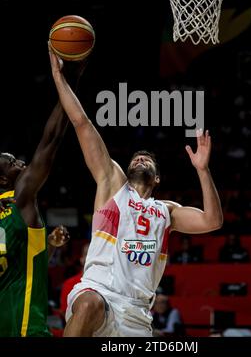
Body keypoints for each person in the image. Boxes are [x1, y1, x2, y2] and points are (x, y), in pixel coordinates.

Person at [49, 51, 223, 337]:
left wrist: (203, 170)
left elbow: (212, 221)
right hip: (99, 293)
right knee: (89, 304)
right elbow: (82, 123)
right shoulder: (112, 183)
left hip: (137, 313)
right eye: (135, 158)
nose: (139, 159)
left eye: (147, 159)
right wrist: (59, 77)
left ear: (156, 178)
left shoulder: (167, 211)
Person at [0, 60, 84, 337]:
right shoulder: (19, 198)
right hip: (25, 327)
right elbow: (50, 139)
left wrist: (45, 247)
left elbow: (17, 267)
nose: (21, 162)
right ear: (3, 181)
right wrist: (69, 76)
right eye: (12, 163)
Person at [60, 242, 89, 316]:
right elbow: (65, 313)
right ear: (81, 259)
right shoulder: (69, 283)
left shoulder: (108, 283)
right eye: (88, 254)